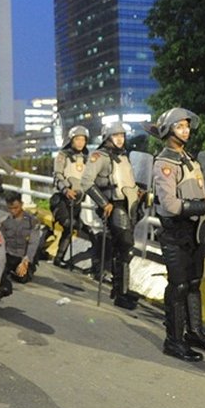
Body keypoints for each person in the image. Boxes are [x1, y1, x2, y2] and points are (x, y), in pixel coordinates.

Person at [150, 108, 205, 362]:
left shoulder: (189, 158)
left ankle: (194, 333)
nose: (186, 130)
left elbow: (195, 190)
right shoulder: (164, 163)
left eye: (187, 126)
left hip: (195, 231)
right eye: (180, 126)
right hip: (175, 233)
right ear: (169, 130)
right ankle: (174, 341)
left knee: (193, 284)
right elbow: (170, 205)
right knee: (178, 286)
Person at [78, 122, 141, 310]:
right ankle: (120, 292)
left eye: (122, 135)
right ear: (107, 137)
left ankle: (120, 289)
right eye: (116, 135)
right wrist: (103, 203)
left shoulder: (124, 156)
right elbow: (86, 182)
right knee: (127, 246)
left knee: (122, 247)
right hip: (112, 206)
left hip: (127, 205)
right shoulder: (99, 156)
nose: (120, 138)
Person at [51, 126, 90, 269]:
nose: (80, 142)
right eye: (77, 139)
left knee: (69, 231)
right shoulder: (63, 155)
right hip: (62, 199)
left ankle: (59, 258)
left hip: (78, 199)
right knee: (69, 223)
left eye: (83, 139)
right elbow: (57, 175)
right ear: (71, 140)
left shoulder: (87, 158)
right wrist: (66, 189)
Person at [0, 192, 45, 284]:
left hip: (24, 256)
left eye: (16, 208)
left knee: (22, 278)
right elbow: (0, 241)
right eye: (10, 208)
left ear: (21, 204)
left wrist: (26, 260)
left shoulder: (32, 221)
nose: (13, 211)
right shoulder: (5, 221)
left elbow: (33, 242)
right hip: (9, 255)